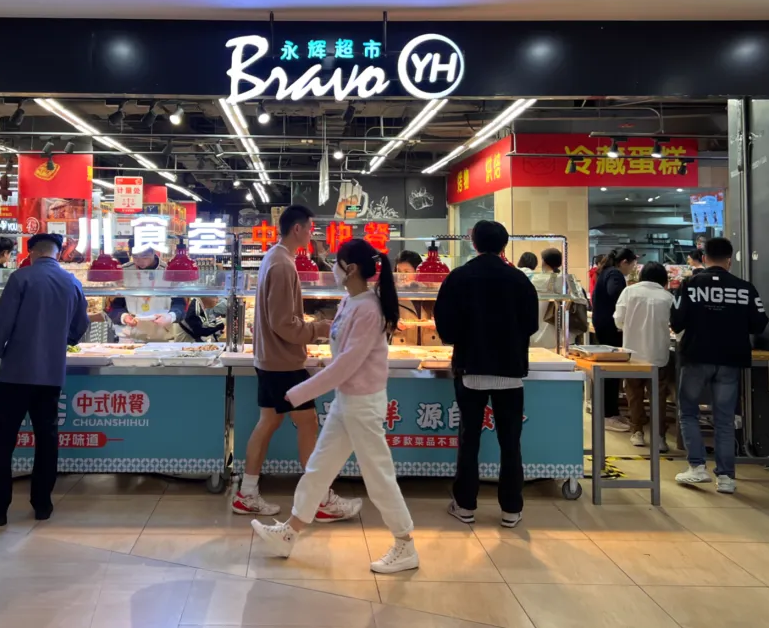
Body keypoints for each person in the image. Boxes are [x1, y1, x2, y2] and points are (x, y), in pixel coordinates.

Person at [251, 239, 418, 573]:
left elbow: (347, 365)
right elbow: (341, 357)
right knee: (319, 467)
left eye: (337, 263)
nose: (333, 268)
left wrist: (297, 392)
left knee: (378, 475)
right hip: (346, 401)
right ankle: (290, 532)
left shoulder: (368, 309)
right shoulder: (349, 301)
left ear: (350, 269)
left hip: (364, 405)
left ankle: (405, 543)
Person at [234, 205, 359, 520]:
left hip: (271, 358)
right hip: (284, 362)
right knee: (307, 422)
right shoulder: (282, 265)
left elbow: (279, 320)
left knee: (269, 421)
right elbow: (283, 323)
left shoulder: (275, 258)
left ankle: (247, 493)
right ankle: (319, 499)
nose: (313, 235)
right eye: (310, 228)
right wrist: (320, 328)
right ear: (298, 229)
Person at [0, 233, 89, 526]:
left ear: (32, 253)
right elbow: (81, 324)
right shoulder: (72, 282)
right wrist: (62, 341)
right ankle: (42, 504)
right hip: (51, 373)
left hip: (16, 372)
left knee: (4, 441)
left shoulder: (21, 278)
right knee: (47, 439)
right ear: (58, 254)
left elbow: (1, 322)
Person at [435, 220, 538, 528]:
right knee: (511, 442)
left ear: (474, 243)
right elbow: (531, 324)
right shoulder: (519, 279)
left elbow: (445, 325)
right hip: (510, 371)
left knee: (469, 439)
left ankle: (465, 505)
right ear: (504, 245)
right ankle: (511, 509)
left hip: (471, 368)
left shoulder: (459, 277)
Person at [671, 237, 768, 494]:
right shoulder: (745, 288)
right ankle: (726, 477)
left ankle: (697, 467)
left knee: (689, 412)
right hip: (731, 358)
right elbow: (759, 323)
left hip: (696, 355)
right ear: (730, 260)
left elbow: (676, 321)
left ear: (704, 258)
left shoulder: (689, 285)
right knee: (724, 419)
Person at [613, 262, 676, 451]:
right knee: (658, 397)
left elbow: (618, 320)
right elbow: (675, 325)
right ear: (663, 278)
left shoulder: (629, 292)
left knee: (634, 395)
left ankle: (637, 432)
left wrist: (630, 327)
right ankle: (659, 437)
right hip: (658, 354)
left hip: (632, 354)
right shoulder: (668, 297)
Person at [591, 247, 638, 431]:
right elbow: (616, 293)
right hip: (610, 327)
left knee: (611, 372)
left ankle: (611, 411)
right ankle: (608, 415)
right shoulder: (615, 274)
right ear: (624, 262)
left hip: (604, 325)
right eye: (633, 264)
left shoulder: (607, 272)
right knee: (611, 371)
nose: (633, 268)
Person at [108, 241, 186, 342]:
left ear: (154, 252)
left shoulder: (169, 271)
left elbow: (180, 303)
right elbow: (114, 305)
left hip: (162, 334)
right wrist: (124, 317)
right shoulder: (123, 272)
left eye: (145, 257)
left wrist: (170, 316)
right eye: (135, 257)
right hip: (130, 335)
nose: (140, 261)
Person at [529, 247, 588, 349]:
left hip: (538, 333)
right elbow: (582, 300)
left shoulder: (536, 279)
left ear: (543, 261)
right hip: (564, 333)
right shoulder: (566, 279)